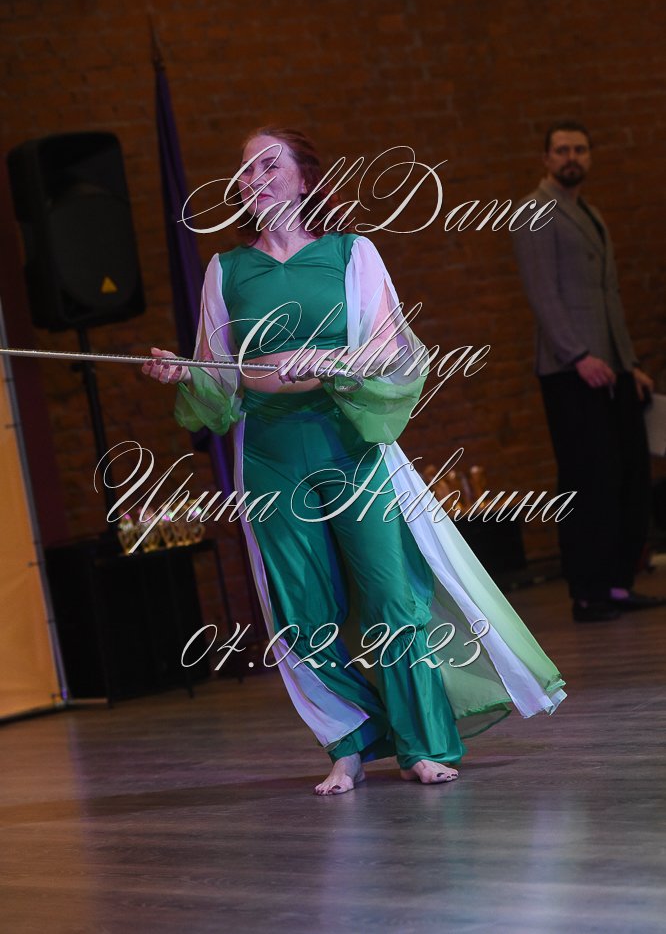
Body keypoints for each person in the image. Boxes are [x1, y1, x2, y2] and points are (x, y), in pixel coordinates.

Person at [144, 127, 566, 795]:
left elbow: (391, 352)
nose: (252, 178)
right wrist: (183, 371)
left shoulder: (351, 253)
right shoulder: (226, 270)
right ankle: (349, 742)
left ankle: (422, 745)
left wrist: (328, 360)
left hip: (352, 445)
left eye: (268, 164)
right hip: (271, 456)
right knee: (300, 611)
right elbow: (219, 377)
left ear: (304, 178)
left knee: (391, 597)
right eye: (244, 170)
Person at [512, 119, 664, 623]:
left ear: (590, 156)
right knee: (588, 479)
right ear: (546, 159)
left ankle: (617, 584)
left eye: (580, 149)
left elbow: (608, 297)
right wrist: (578, 355)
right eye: (562, 150)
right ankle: (587, 592)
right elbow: (543, 294)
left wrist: (629, 363)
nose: (572, 157)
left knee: (629, 475)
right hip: (569, 369)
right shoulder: (534, 211)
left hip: (612, 367)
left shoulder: (590, 214)